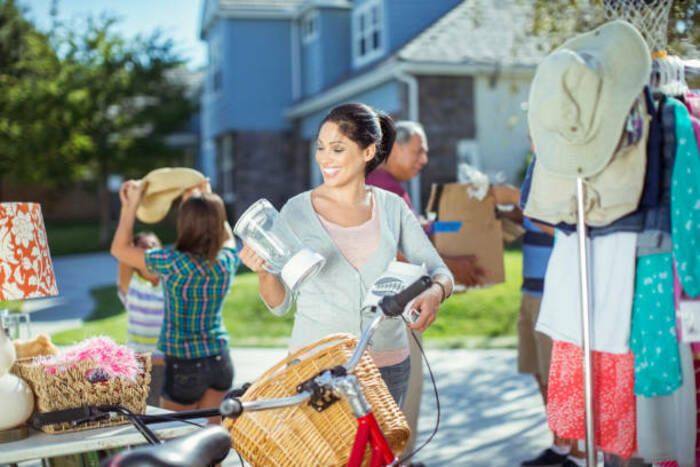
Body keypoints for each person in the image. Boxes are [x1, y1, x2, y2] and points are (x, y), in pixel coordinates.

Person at [239, 103, 454, 406]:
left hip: (387, 366)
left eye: (337, 149)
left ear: (368, 152)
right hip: (314, 369)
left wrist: (435, 292)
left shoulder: (392, 206)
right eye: (321, 148)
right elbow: (279, 304)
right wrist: (264, 270)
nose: (325, 158)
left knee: (380, 454)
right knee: (322, 456)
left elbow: (440, 271)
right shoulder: (296, 211)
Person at [366, 120, 483, 452]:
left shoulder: (389, 186)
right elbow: (400, 250)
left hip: (397, 309)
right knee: (400, 395)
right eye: (419, 151)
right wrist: (451, 267)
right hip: (394, 313)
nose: (424, 160)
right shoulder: (383, 187)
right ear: (397, 148)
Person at [110, 179, 239, 422]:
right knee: (212, 440)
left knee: (173, 440)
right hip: (220, 360)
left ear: (184, 224)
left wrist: (130, 205)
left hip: (184, 366)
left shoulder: (172, 261)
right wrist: (207, 200)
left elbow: (120, 249)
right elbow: (226, 235)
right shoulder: (226, 261)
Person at [492, 169, 574, 466]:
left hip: (555, 292)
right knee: (541, 373)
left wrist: (518, 198)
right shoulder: (536, 170)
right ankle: (561, 445)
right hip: (531, 288)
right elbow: (532, 221)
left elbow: (569, 226)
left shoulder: (565, 165)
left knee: (559, 377)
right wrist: (510, 211)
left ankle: (576, 453)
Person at [116, 231, 165, 406]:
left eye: (154, 246)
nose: (150, 251)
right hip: (139, 368)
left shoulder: (172, 282)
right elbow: (122, 247)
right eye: (143, 247)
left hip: (168, 365)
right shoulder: (130, 283)